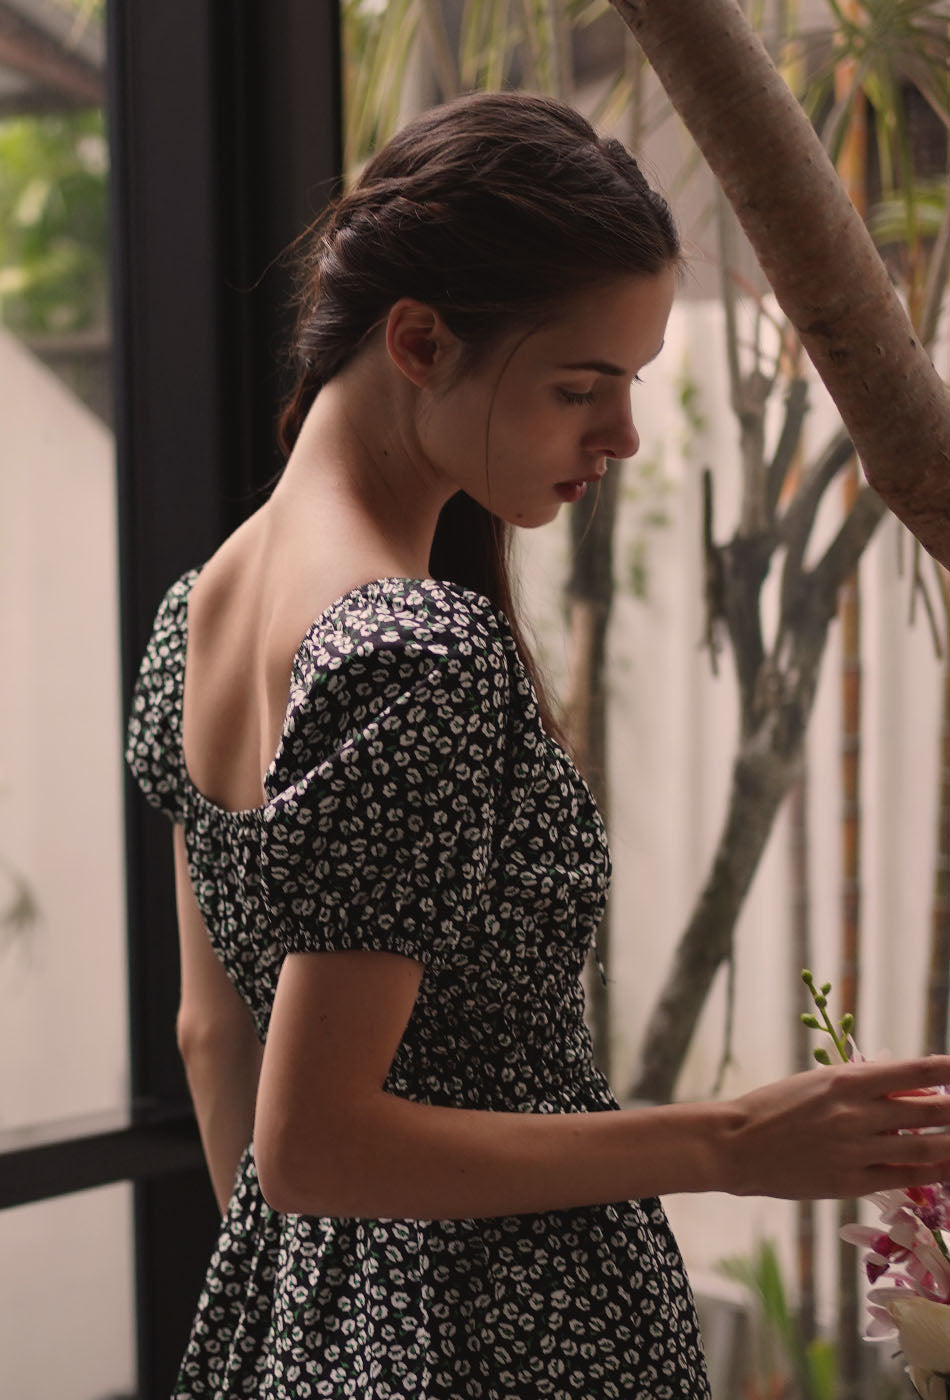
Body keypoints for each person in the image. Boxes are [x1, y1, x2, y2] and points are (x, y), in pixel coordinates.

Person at [125, 90, 950, 1399]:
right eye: (582, 386)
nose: (619, 436)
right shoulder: (413, 647)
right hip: (510, 1339)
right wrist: (731, 1139)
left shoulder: (198, 612)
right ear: (417, 340)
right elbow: (317, 1139)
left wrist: (314, 1332)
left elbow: (213, 1042)